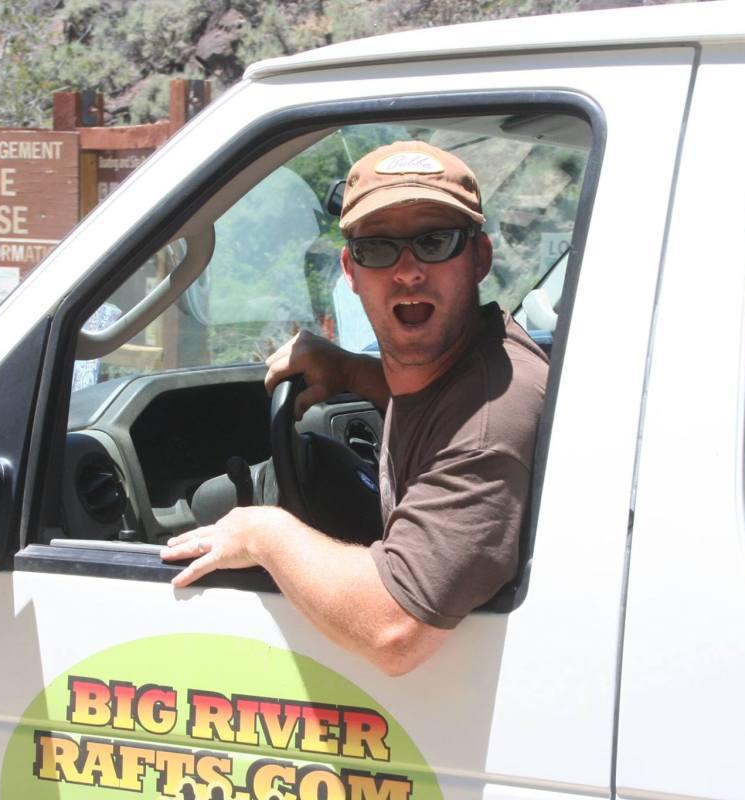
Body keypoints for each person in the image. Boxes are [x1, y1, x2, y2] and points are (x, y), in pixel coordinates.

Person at [161, 140, 549, 676]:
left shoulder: (491, 418)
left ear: (478, 257)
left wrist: (260, 533)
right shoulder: (479, 362)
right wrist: (350, 371)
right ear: (350, 269)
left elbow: (395, 630)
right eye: (378, 248)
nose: (408, 271)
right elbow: (434, 406)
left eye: (435, 241)